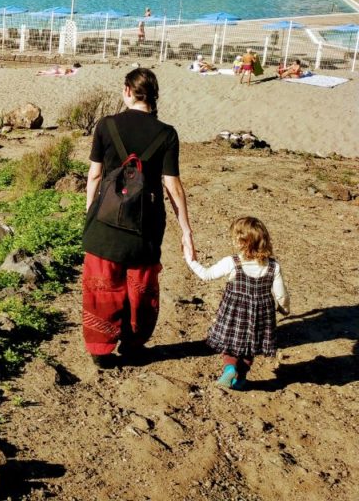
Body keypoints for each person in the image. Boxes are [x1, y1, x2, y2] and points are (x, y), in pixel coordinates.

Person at [82, 67, 195, 368]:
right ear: (153, 96)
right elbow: (173, 186)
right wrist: (186, 231)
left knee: (102, 286)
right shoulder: (167, 134)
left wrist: (91, 212)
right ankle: (132, 344)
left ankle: (100, 349)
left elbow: (94, 176)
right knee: (140, 288)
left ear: (127, 91)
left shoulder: (106, 125)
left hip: (105, 223)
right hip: (145, 226)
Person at [184, 217, 290, 390]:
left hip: (235, 312)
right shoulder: (273, 266)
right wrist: (284, 309)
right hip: (261, 314)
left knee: (230, 343)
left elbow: (207, 275)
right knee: (251, 346)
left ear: (242, 242)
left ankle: (230, 368)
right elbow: (281, 295)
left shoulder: (232, 262)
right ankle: (241, 378)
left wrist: (191, 261)